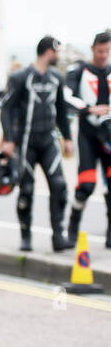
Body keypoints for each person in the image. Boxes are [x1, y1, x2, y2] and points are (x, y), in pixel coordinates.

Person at [0, 37, 74, 252]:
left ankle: (58, 235)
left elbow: (61, 109)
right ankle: (26, 236)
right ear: (49, 51)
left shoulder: (56, 77)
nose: (59, 56)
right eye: (57, 51)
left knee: (59, 186)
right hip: (26, 141)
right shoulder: (21, 77)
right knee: (27, 189)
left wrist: (67, 138)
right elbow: (6, 108)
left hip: (49, 140)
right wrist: (10, 139)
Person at [65, 30, 111, 247]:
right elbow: (66, 97)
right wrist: (89, 109)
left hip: (109, 137)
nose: (103, 55)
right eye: (100, 51)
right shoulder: (79, 70)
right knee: (86, 185)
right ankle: (73, 224)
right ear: (93, 49)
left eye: (108, 51)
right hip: (87, 134)